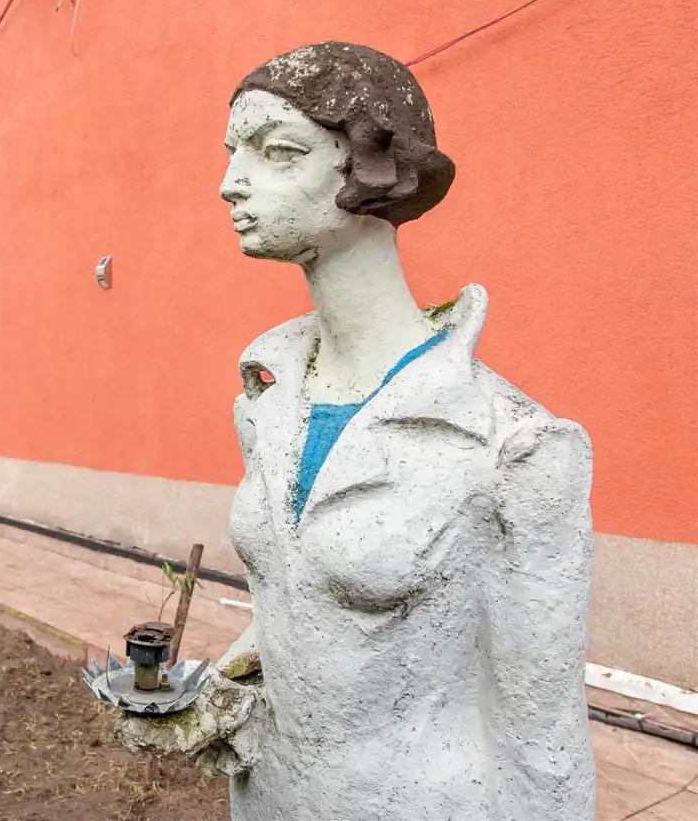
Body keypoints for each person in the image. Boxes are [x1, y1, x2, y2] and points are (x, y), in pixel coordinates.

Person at [115, 42, 596, 821]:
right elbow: (300, 605)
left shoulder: (512, 446)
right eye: (234, 151)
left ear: (374, 170)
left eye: (277, 152)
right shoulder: (266, 400)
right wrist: (222, 693)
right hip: (267, 799)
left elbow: (547, 747)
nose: (230, 181)